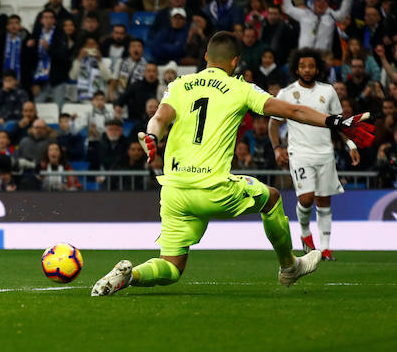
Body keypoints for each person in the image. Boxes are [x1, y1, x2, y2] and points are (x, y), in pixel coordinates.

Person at [91, 31, 375, 297]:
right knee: (272, 198)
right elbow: (292, 110)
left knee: (172, 266)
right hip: (214, 188)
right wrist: (334, 121)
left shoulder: (178, 85)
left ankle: (129, 276)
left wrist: (152, 135)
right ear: (236, 61)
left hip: (175, 191)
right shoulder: (241, 89)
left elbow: (160, 117)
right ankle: (289, 267)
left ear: (205, 57)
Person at [269, 48, 360, 262]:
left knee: (324, 200)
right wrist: (277, 148)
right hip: (299, 152)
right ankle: (304, 233)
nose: (307, 70)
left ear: (318, 68)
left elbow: (338, 124)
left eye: (311, 66)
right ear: (296, 68)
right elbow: (274, 124)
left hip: (325, 153)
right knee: (306, 198)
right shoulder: (286, 93)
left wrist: (351, 144)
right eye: (302, 66)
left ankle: (326, 249)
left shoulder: (328, 91)